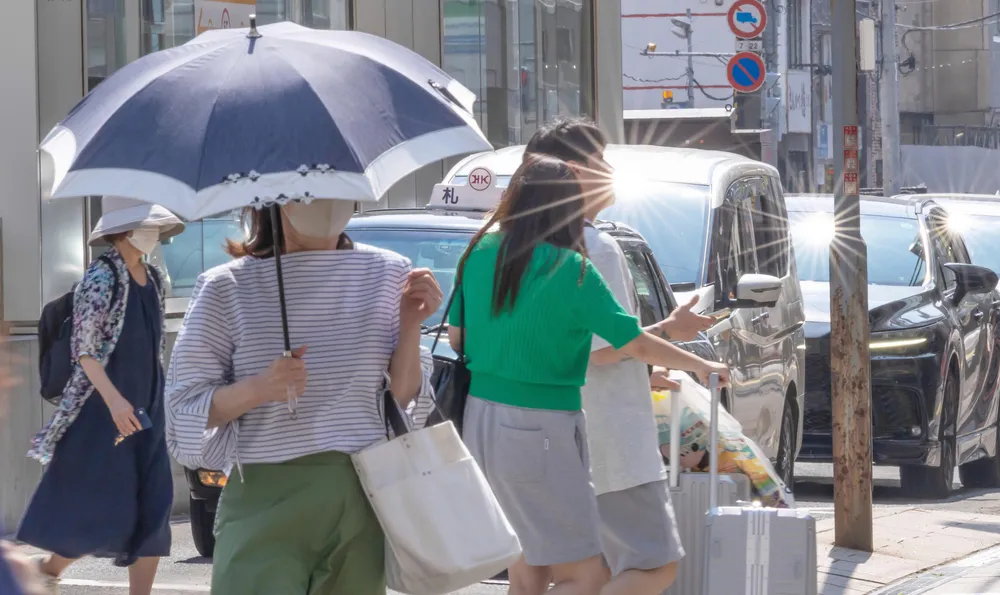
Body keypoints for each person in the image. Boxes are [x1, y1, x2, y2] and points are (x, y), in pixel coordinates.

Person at [450, 155, 728, 595]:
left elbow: (456, 338)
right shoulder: (571, 268)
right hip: (542, 426)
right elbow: (631, 342)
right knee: (584, 575)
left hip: (480, 420)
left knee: (528, 565)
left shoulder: (480, 253)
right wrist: (701, 363)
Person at [165, 198, 440, 595]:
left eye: (338, 185)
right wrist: (261, 388)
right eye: (307, 189)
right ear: (272, 198)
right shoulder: (226, 286)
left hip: (362, 494)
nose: (327, 201)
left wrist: (411, 323)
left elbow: (402, 401)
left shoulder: (389, 273)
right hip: (264, 494)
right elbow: (185, 409)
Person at [522, 117, 714, 594]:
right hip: (606, 436)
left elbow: (565, 346)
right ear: (573, 171)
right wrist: (675, 331)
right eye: (599, 161)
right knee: (654, 563)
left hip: (530, 431)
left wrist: (643, 371)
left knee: (539, 572)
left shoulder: (513, 246)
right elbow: (609, 349)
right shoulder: (595, 247)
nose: (609, 170)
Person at [19, 197, 184, 595]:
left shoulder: (155, 277)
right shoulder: (101, 277)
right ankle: (48, 568)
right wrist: (114, 401)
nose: (155, 235)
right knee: (99, 504)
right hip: (102, 411)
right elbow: (85, 350)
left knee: (155, 506)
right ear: (125, 230)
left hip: (148, 409)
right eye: (148, 226)